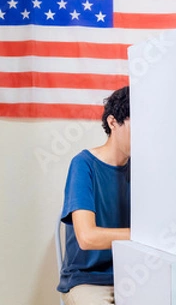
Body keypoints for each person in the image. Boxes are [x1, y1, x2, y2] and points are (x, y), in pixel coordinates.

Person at [57, 86, 131, 305]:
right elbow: (87, 237)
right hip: (88, 279)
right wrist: (145, 235)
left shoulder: (143, 169)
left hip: (134, 274)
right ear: (113, 122)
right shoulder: (83, 164)